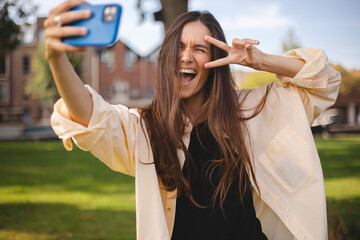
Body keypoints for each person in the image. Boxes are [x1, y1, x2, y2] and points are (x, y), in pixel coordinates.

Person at [45, 1, 341, 239]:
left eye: (199, 49)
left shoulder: (249, 111)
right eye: (179, 47)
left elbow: (323, 82)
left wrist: (259, 60)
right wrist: (56, 59)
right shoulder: (148, 129)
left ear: (214, 64)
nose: (186, 57)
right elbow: (90, 117)